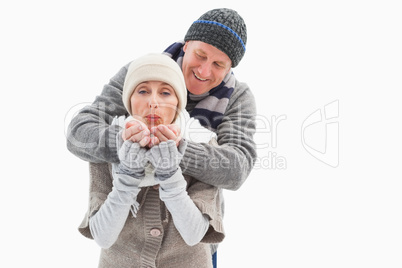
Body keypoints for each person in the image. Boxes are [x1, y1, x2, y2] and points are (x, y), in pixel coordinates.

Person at [66, 8, 257, 191]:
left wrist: (176, 150)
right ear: (187, 44)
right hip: (124, 207)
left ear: (230, 67)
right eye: (200, 55)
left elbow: (238, 169)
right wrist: (127, 142)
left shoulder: (237, 97)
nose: (204, 71)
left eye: (218, 64)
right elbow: (78, 132)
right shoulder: (143, 71)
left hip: (193, 213)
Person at [78, 53, 224, 268]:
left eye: (165, 92)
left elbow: (195, 234)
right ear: (129, 100)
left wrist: (170, 174)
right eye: (143, 91)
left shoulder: (204, 146)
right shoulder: (109, 146)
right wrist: (127, 175)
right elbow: (103, 236)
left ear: (178, 101)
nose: (153, 102)